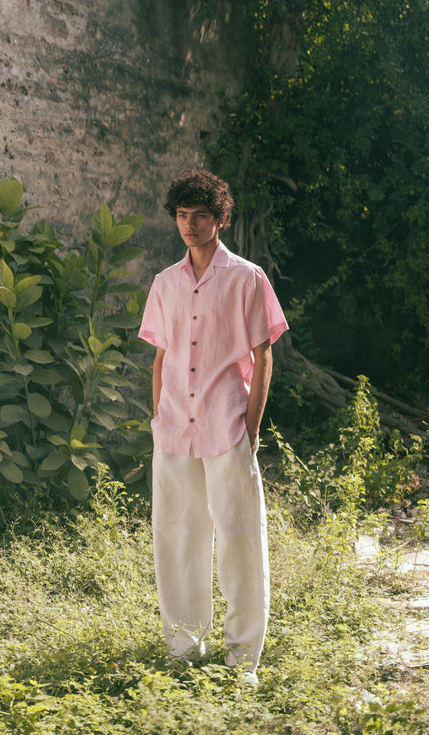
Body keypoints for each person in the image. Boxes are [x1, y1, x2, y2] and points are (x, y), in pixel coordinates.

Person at [138, 169, 288, 681]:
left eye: (200, 215)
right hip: (175, 428)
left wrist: (252, 428)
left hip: (229, 427)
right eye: (182, 215)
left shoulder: (248, 278)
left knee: (242, 539)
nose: (190, 225)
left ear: (221, 218)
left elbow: (263, 356)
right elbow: (160, 359)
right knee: (177, 538)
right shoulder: (163, 284)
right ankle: (184, 652)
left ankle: (243, 660)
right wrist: (160, 416)